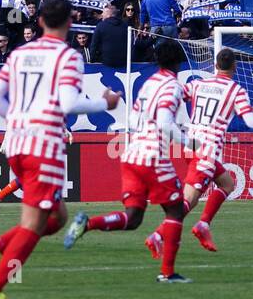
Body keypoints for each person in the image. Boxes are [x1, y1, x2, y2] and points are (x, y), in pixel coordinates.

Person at [0, 0, 120, 299]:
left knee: (56, 218)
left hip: (16, 143)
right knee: (33, 223)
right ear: (70, 22)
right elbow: (68, 104)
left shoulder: (20, 53)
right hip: (43, 146)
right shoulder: (68, 56)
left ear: (39, 21)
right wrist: (104, 103)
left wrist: (16, 119)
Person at [64, 39, 192, 284]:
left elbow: (133, 120)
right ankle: (167, 273)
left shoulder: (149, 84)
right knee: (176, 209)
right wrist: (190, 143)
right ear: (178, 62)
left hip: (132, 154)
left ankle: (87, 225)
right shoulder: (172, 86)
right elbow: (165, 123)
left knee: (133, 219)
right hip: (153, 156)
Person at [180, 49, 253, 252]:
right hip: (206, 148)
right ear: (234, 66)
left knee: (227, 183)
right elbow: (251, 122)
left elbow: (177, 94)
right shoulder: (236, 90)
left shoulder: (198, 83)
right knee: (189, 199)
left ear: (215, 65)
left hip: (191, 144)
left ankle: (203, 224)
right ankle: (160, 234)